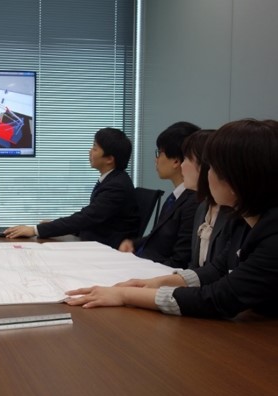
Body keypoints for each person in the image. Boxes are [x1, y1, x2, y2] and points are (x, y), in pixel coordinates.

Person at [65, 118, 278, 318]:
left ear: (239, 177)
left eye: (212, 167)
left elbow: (219, 298)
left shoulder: (272, 236)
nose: (207, 173)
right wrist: (158, 282)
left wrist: (125, 295)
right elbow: (217, 269)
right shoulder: (243, 221)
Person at [4, 127, 139, 249]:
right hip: (95, 242)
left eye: (95, 148)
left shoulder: (116, 186)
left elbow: (86, 218)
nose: (90, 151)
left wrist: (35, 230)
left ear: (109, 159)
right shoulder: (112, 179)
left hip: (106, 249)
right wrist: (52, 227)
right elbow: (92, 219)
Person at [119, 121, 200, 268]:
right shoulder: (175, 197)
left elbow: (180, 260)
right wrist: (133, 243)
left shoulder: (192, 203)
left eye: (159, 153)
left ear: (176, 161)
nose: (156, 159)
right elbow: (158, 237)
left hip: (155, 270)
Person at [181, 129, 242, 268]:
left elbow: (221, 270)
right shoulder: (203, 207)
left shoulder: (236, 213)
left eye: (186, 158)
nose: (181, 165)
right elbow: (195, 265)